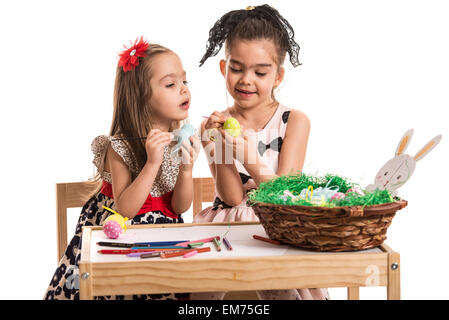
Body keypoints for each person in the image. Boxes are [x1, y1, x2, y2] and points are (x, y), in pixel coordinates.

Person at [44, 38, 200, 300]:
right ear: (140, 97)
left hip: (161, 244)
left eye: (185, 81)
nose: (184, 89)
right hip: (118, 243)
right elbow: (125, 209)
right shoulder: (119, 146)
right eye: (171, 84)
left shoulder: (177, 140)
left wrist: (186, 170)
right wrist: (152, 163)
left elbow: (179, 207)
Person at [193, 5, 329, 300]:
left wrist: (247, 153)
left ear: (278, 76)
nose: (246, 80)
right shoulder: (210, 124)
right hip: (226, 231)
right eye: (237, 68)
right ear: (223, 68)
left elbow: (284, 192)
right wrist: (219, 145)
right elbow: (230, 197)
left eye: (260, 72)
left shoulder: (294, 121)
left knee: (287, 284)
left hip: (277, 225)